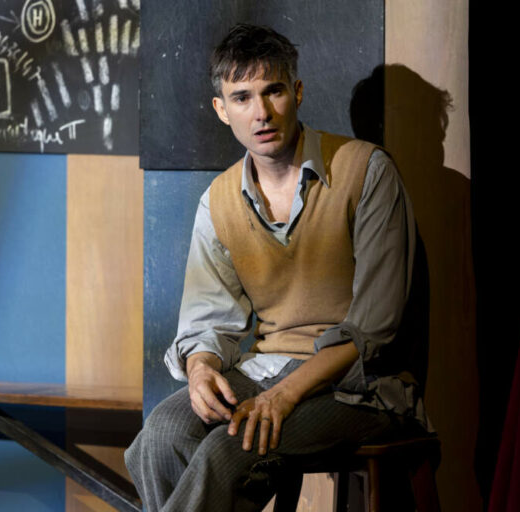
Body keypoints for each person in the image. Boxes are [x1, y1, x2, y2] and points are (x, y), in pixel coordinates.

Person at [125, 23, 430, 512]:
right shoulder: (219, 201)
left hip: (360, 387)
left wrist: (284, 396)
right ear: (221, 109)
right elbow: (207, 324)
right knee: (161, 436)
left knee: (229, 450)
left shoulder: (366, 171)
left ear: (298, 92)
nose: (261, 112)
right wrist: (200, 371)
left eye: (274, 91)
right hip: (267, 369)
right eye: (242, 97)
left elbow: (373, 329)